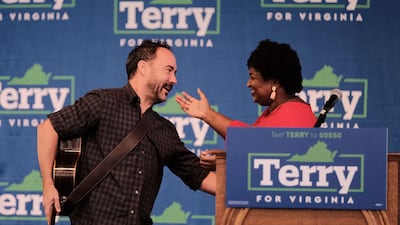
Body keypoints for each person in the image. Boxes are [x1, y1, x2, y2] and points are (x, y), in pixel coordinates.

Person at [37, 40, 216, 225]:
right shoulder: (103, 102)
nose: (174, 80)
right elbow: (48, 128)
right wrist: (48, 186)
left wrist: (245, 188)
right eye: (168, 70)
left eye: (175, 73)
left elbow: (198, 175)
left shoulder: (165, 130)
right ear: (143, 67)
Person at [175, 39, 316, 170]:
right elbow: (260, 150)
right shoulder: (278, 110)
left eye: (253, 77)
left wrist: (208, 114)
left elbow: (258, 149)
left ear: (275, 83)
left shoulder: (294, 114)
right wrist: (227, 160)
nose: (248, 84)